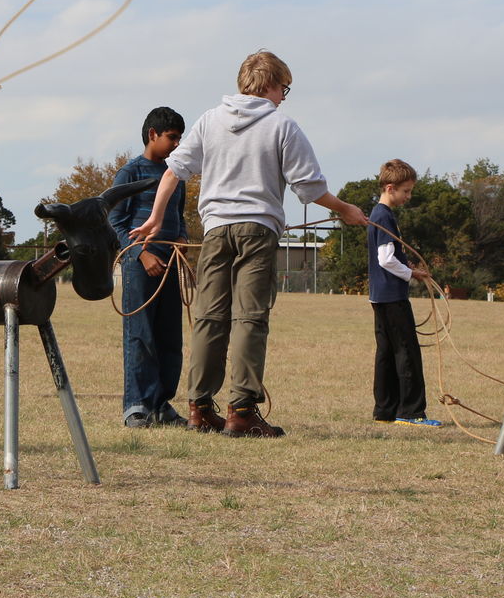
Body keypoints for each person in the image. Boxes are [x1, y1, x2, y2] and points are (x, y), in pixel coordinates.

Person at [131, 50, 367, 438]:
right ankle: (241, 411)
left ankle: (200, 408)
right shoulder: (282, 125)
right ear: (271, 84)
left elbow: (173, 170)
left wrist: (155, 217)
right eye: (284, 89)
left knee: (209, 316)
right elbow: (308, 187)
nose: (283, 97)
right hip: (257, 230)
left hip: (215, 231)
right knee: (249, 318)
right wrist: (344, 209)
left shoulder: (210, 120)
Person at [108, 106, 188, 429]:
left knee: (170, 335)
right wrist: (141, 254)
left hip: (169, 263)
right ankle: (136, 405)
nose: (177, 144)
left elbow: (178, 216)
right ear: (153, 135)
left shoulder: (176, 177)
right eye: (172, 137)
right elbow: (115, 220)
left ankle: (161, 403)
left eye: (180, 138)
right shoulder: (130, 173)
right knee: (140, 334)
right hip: (140, 263)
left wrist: (181, 237)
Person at [367, 159, 438, 428]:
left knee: (386, 352)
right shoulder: (384, 215)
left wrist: (406, 265)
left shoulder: (376, 213)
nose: (408, 196)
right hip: (392, 296)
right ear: (390, 187)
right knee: (407, 351)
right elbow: (385, 259)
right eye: (406, 191)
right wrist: (411, 273)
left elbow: (388, 257)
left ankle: (384, 410)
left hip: (379, 296)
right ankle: (411, 411)